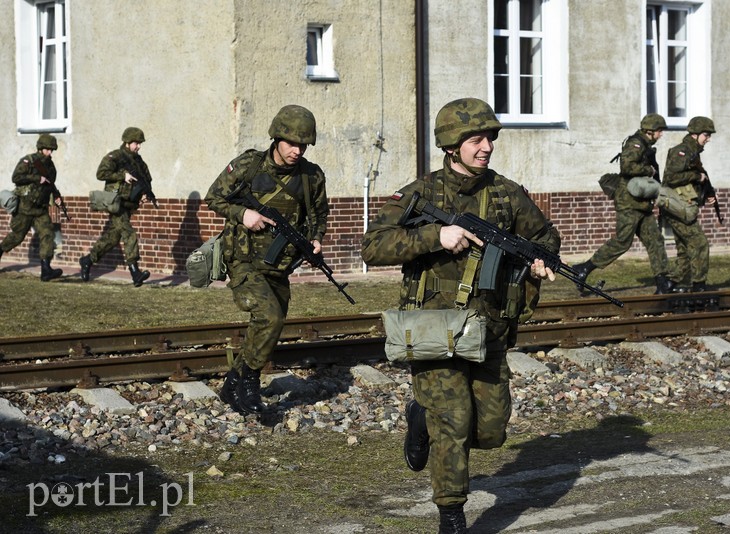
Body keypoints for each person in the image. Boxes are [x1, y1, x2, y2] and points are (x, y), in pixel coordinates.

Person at [361, 98, 560, 534]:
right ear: (452, 145)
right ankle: (451, 512)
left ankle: (419, 413)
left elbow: (545, 238)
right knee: (452, 420)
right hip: (436, 330)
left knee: (490, 430)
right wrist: (436, 235)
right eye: (475, 139)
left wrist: (542, 262)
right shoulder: (421, 193)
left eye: (490, 137)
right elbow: (372, 246)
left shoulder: (508, 194)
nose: (485, 146)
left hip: (488, 329)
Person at [205, 105, 328, 416]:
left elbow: (318, 215)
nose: (297, 151)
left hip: (279, 265)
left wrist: (316, 239)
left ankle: (232, 381)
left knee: (270, 326)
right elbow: (214, 197)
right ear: (276, 138)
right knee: (269, 318)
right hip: (243, 260)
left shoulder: (311, 177)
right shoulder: (249, 165)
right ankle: (249, 383)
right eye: (291, 143)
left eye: (303, 145)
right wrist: (243, 214)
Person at [572, 114, 673, 294]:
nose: (661, 135)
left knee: (655, 241)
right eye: (659, 131)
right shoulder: (636, 144)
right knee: (622, 242)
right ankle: (583, 269)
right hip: (629, 203)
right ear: (650, 131)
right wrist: (648, 169)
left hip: (642, 204)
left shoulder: (646, 145)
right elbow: (626, 167)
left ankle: (662, 281)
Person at [79, 127, 155, 286]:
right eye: (136, 143)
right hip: (116, 203)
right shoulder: (116, 156)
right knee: (129, 233)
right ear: (127, 142)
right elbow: (101, 173)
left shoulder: (139, 162)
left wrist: (144, 195)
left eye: (140, 144)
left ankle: (87, 260)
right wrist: (122, 175)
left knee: (112, 238)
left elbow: (146, 181)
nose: (138, 146)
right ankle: (135, 273)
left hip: (128, 204)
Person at [660, 116, 717, 292]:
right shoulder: (682, 151)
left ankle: (671, 284)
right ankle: (699, 286)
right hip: (677, 207)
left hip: (681, 207)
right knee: (699, 244)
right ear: (694, 134)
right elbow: (671, 178)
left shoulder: (692, 152)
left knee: (684, 248)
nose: (708, 139)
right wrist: (696, 177)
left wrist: (707, 192)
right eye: (706, 135)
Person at [0, 134, 64, 281]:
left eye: (52, 150)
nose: (50, 153)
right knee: (17, 237)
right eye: (48, 149)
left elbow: (50, 185)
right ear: (40, 148)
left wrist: (57, 197)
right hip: (25, 208)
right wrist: (36, 178)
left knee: (47, 234)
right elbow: (16, 178)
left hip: (41, 210)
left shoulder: (50, 166)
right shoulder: (29, 161)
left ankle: (46, 270)